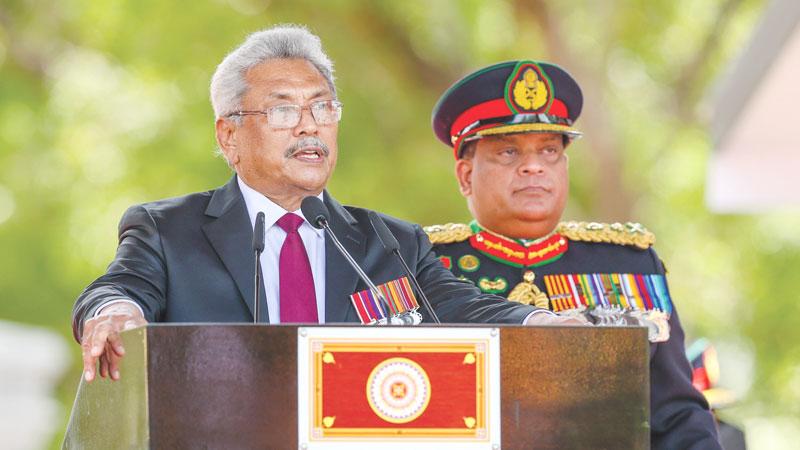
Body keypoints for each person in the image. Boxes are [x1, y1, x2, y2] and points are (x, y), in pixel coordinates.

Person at [72, 27, 573, 384]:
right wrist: (115, 312)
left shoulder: (389, 243)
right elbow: (119, 288)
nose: (309, 125)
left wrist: (545, 323)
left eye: (322, 106)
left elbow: (460, 305)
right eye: (284, 108)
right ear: (229, 136)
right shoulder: (167, 230)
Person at [425, 60, 722, 449]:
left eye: (549, 150)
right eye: (509, 152)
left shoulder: (627, 264)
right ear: (466, 176)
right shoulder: (422, 266)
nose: (533, 167)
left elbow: (676, 412)